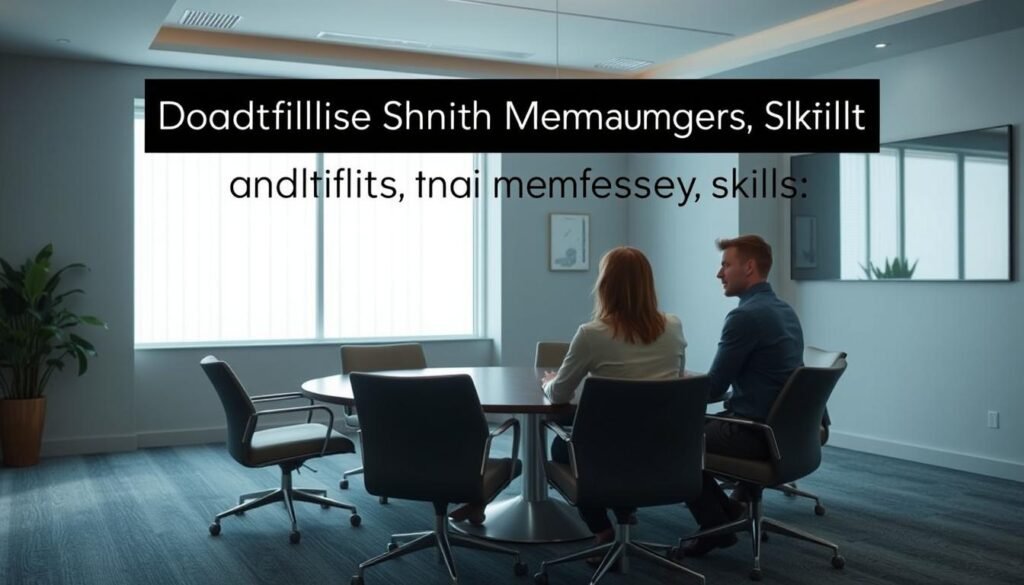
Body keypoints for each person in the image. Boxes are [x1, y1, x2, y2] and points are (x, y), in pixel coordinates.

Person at [542, 246, 687, 560]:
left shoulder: (592, 334)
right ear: (648, 284)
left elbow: (559, 395)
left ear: (605, 285)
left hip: (606, 451)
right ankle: (625, 506)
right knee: (622, 443)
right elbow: (676, 377)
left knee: (560, 448)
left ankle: (602, 529)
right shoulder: (673, 326)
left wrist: (547, 382)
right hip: (662, 447)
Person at [682, 234, 804, 557]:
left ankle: (714, 526)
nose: (719, 273)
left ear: (748, 267)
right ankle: (731, 513)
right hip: (789, 431)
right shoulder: (784, 310)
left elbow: (714, 389)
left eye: (725, 265)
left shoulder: (744, 317)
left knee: (675, 439)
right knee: (699, 429)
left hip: (756, 431)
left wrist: (673, 386)